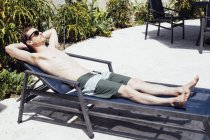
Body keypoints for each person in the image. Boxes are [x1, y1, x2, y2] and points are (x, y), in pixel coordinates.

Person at [5, 27, 199, 108]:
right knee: (126, 91)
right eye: (36, 33)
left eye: (39, 31)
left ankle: (178, 89)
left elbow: (53, 30)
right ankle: (172, 102)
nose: (41, 33)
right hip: (83, 83)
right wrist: (27, 44)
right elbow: (9, 48)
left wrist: (36, 37)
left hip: (94, 74)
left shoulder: (52, 47)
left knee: (135, 81)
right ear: (30, 41)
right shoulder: (35, 56)